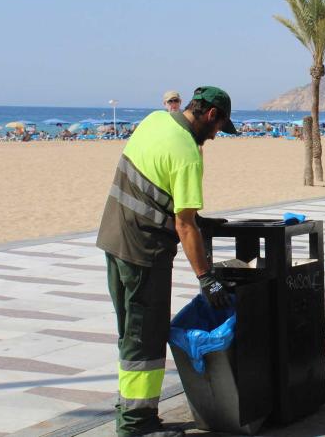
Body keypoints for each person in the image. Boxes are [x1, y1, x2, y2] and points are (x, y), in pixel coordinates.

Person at [96, 86, 238, 437]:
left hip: (114, 240)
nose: (217, 135)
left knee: (129, 333)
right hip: (144, 252)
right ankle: (137, 424)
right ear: (210, 115)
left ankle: (127, 409)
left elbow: (153, 188)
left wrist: (199, 222)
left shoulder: (155, 121)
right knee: (144, 338)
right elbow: (184, 223)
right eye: (220, 127)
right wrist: (207, 277)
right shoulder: (188, 152)